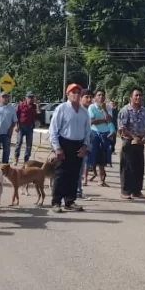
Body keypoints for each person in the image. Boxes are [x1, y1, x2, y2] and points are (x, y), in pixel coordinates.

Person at [48, 83, 92, 213]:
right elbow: (53, 130)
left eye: (78, 92)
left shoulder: (84, 112)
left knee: (75, 174)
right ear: (68, 94)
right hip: (64, 144)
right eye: (73, 92)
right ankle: (56, 201)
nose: (76, 95)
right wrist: (57, 148)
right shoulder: (61, 109)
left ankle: (70, 201)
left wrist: (85, 146)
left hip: (78, 145)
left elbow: (87, 132)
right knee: (61, 174)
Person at [117, 88, 145, 200]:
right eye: (136, 95)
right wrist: (133, 136)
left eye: (140, 95)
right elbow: (122, 127)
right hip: (129, 141)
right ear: (130, 97)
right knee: (127, 167)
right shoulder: (125, 110)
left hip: (140, 142)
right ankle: (125, 191)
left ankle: (137, 191)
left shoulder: (143, 111)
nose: (138, 97)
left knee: (139, 167)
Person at [87, 89, 114, 187]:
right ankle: (88, 177)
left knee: (103, 158)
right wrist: (104, 120)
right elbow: (92, 121)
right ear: (95, 97)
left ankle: (101, 179)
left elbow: (110, 120)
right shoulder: (91, 107)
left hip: (105, 134)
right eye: (99, 95)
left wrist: (105, 110)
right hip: (94, 133)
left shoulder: (108, 108)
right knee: (92, 157)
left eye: (103, 95)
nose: (101, 97)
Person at [15, 91, 39, 163]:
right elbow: (16, 116)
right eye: (29, 97)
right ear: (26, 98)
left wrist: (38, 106)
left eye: (32, 97)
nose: (30, 99)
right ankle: (16, 157)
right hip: (21, 126)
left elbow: (38, 114)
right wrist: (16, 126)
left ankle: (26, 159)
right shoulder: (21, 105)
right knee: (19, 142)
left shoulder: (34, 106)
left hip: (30, 127)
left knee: (29, 144)